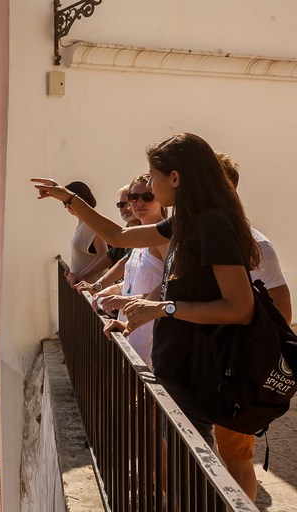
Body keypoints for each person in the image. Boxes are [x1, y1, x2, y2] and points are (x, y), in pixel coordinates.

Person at [31, 133, 260, 459]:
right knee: (181, 469)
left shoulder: (212, 224)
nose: (150, 184)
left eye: (153, 176)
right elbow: (119, 236)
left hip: (195, 369)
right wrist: (68, 198)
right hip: (176, 367)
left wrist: (160, 308)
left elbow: (239, 309)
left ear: (176, 178)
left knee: (192, 474)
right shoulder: (189, 221)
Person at [211, 151, 292, 500]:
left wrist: (245, 358)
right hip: (199, 369)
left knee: (235, 459)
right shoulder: (194, 234)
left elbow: (282, 313)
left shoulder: (255, 244)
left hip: (233, 372)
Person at [91, 174, 169, 367]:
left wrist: (126, 301)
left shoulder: (164, 237)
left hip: (153, 331)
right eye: (133, 198)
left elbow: (171, 284)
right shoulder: (138, 236)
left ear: (159, 198)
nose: (139, 202)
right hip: (132, 327)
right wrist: (107, 291)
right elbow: (134, 281)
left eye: (147, 197)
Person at [75, 184, 140, 295]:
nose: (125, 208)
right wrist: (84, 276)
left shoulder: (146, 229)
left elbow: (126, 261)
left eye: (129, 203)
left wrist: (97, 286)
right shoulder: (128, 228)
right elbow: (111, 255)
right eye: (121, 204)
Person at [63, 181, 108, 284]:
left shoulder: (91, 222)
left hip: (94, 288)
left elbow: (103, 255)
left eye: (67, 203)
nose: (66, 207)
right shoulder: (82, 223)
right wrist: (73, 270)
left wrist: (81, 275)